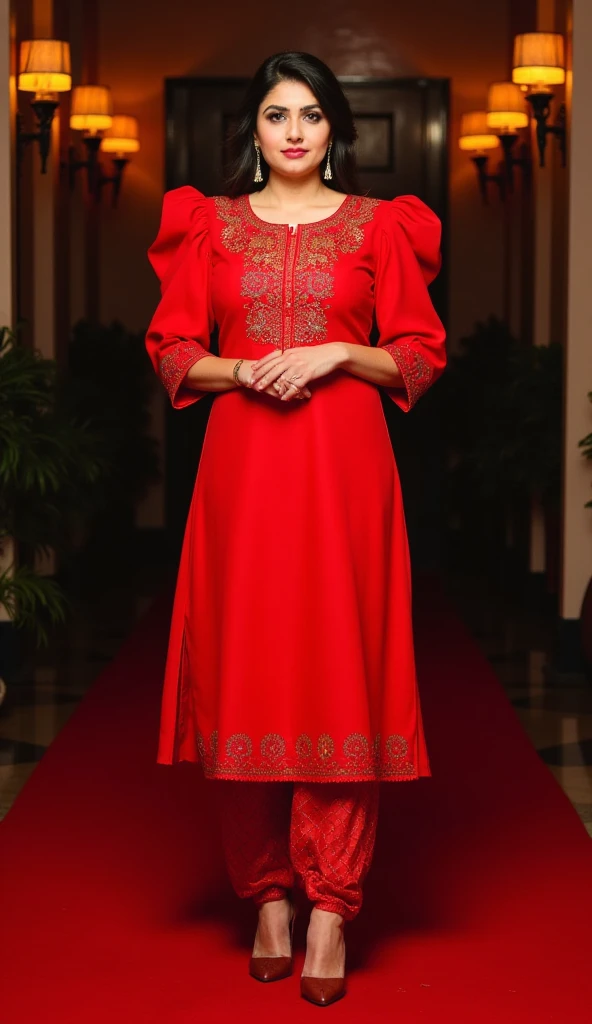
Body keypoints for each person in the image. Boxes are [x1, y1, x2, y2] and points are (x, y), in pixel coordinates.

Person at [145, 50, 446, 1007]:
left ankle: (330, 907)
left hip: (346, 476)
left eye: (311, 114)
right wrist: (245, 370)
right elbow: (172, 349)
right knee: (245, 674)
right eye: (277, 114)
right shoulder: (210, 227)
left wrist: (332, 353)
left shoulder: (380, 228)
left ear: (335, 128)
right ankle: (267, 895)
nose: (294, 131)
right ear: (255, 130)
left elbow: (419, 358)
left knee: (339, 675)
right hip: (244, 474)